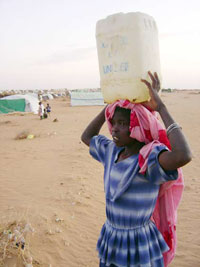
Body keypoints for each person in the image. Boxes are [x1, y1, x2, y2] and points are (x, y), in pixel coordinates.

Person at [81, 71, 192, 267]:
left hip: (139, 241)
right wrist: (111, 104)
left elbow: (183, 155)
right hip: (112, 235)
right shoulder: (110, 151)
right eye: (113, 122)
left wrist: (161, 108)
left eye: (123, 123)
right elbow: (87, 136)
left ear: (137, 127)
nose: (114, 128)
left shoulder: (149, 158)